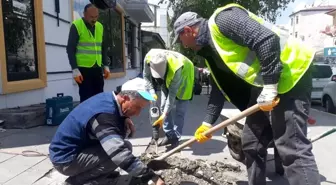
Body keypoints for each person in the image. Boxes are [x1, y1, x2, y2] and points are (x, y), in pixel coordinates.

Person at [172, 3, 320, 185]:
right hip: (265, 85)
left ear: (188, 31)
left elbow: (267, 39)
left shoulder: (223, 20)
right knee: (251, 143)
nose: (183, 45)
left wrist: (270, 86)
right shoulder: (211, 50)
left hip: (291, 74)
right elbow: (220, 88)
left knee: (292, 149)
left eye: (180, 40)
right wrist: (207, 123)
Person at [48, 78, 165, 185]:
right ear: (125, 98)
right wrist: (151, 176)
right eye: (137, 107)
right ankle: (76, 182)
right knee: (118, 155)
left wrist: (124, 117)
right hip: (65, 159)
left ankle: (102, 173)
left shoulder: (111, 98)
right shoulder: (104, 116)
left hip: (76, 149)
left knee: (124, 146)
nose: (138, 113)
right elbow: (119, 153)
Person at [143, 49, 195, 146]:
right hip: (167, 75)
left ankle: (176, 137)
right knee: (163, 106)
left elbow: (172, 95)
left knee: (180, 110)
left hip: (186, 72)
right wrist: (152, 92)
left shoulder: (176, 68)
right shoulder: (149, 58)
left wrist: (164, 115)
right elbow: (146, 77)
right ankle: (169, 134)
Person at [67, 3, 111, 103]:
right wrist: (75, 69)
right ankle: (87, 119)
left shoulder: (100, 27)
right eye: (91, 17)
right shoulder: (77, 26)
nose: (94, 19)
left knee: (99, 97)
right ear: (84, 14)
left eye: (96, 17)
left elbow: (103, 48)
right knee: (86, 98)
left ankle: (98, 118)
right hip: (83, 70)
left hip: (97, 68)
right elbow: (70, 49)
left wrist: (106, 66)